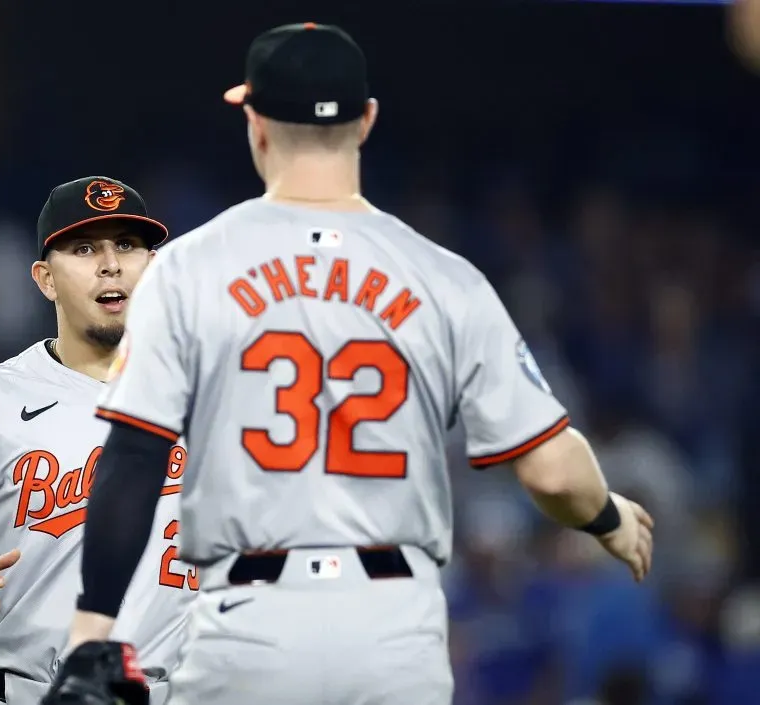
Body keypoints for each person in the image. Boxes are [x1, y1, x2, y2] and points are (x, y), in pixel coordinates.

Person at [40, 23, 655, 705]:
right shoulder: (443, 277)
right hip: (394, 628)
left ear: (256, 122)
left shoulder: (188, 269)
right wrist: (610, 517)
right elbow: (549, 467)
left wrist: (92, 629)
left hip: (249, 624)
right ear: (366, 121)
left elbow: (135, 453)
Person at [0, 176, 198, 705]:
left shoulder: (213, 395)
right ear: (45, 279)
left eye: (128, 245)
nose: (110, 264)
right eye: (85, 247)